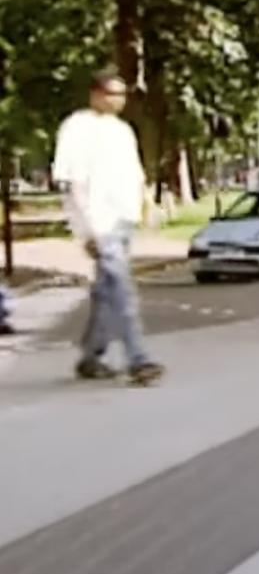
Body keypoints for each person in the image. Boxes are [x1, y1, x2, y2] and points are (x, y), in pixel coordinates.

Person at [52, 71, 162, 382]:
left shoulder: (123, 131)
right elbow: (72, 183)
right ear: (94, 94)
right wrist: (85, 229)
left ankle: (91, 355)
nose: (117, 100)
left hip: (123, 219)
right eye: (110, 93)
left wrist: (146, 207)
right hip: (100, 222)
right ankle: (139, 359)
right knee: (123, 291)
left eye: (121, 95)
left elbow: (136, 175)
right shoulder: (76, 127)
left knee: (106, 292)